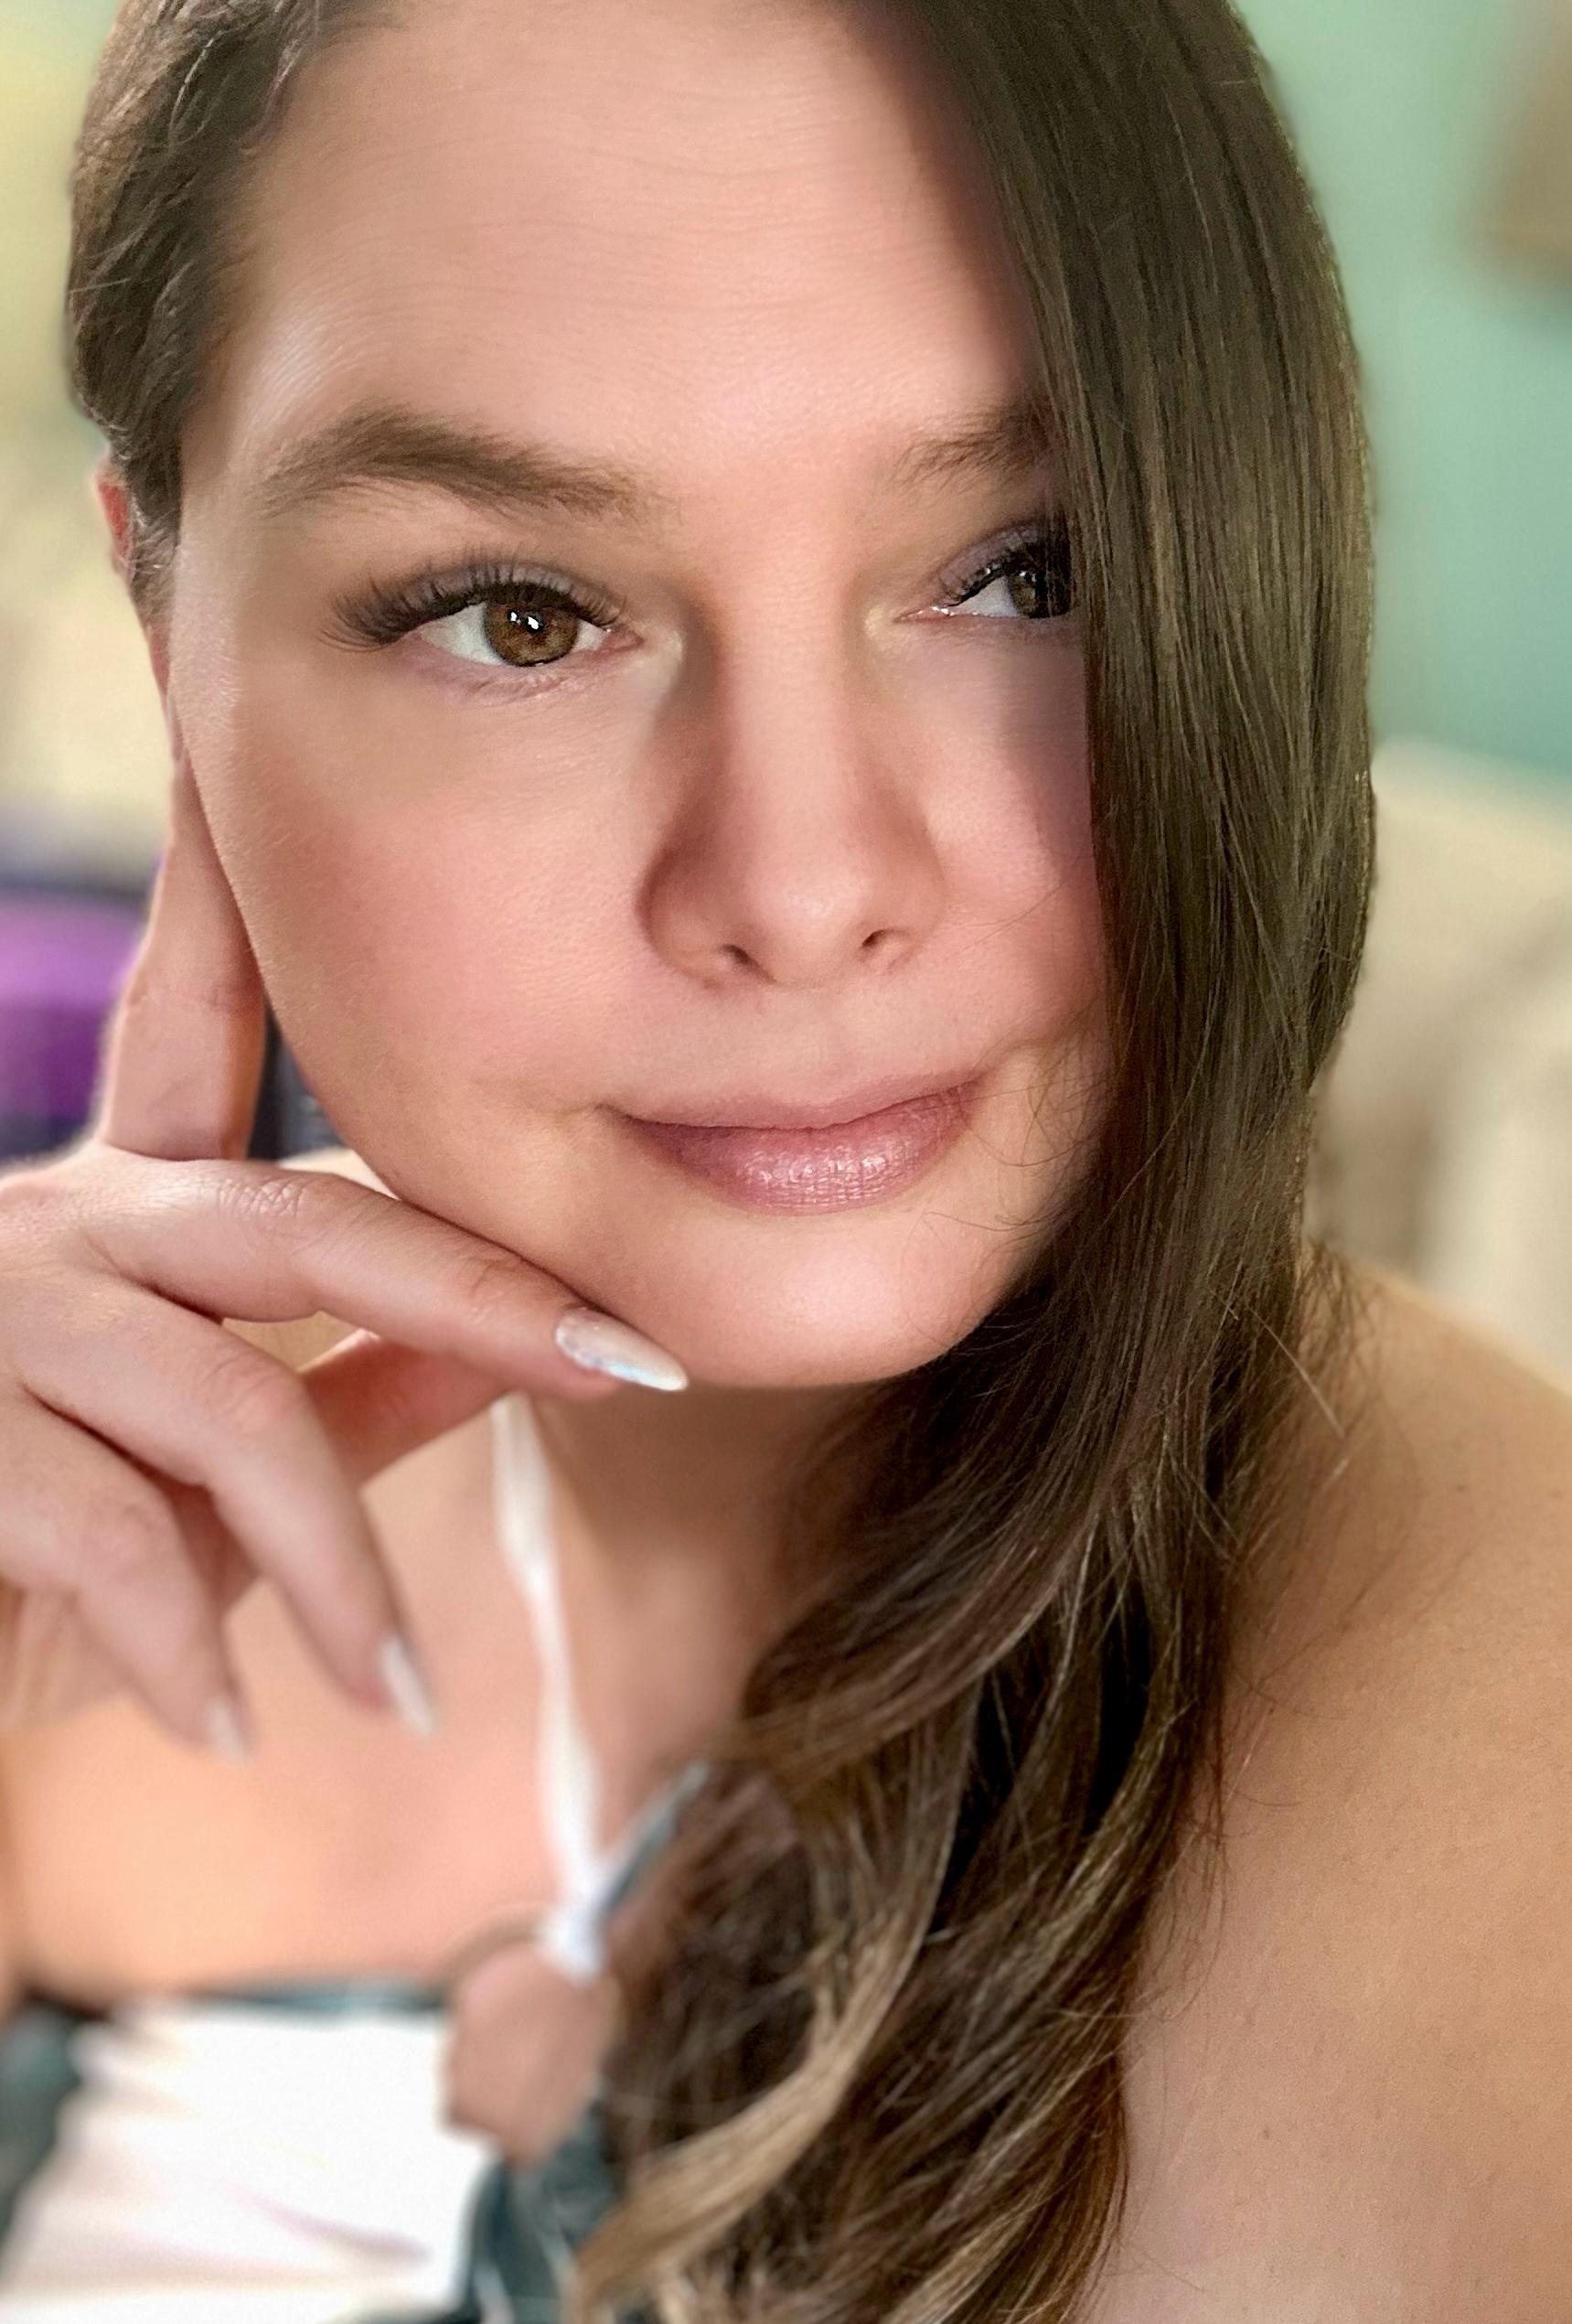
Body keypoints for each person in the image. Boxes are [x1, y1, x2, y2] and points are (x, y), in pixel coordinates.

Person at [1, 0, 1570, 2318]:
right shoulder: (101, 1504)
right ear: (166, 630)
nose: (803, 879)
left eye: (1023, 569)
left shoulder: (1482, 1738)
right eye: (520, 615)